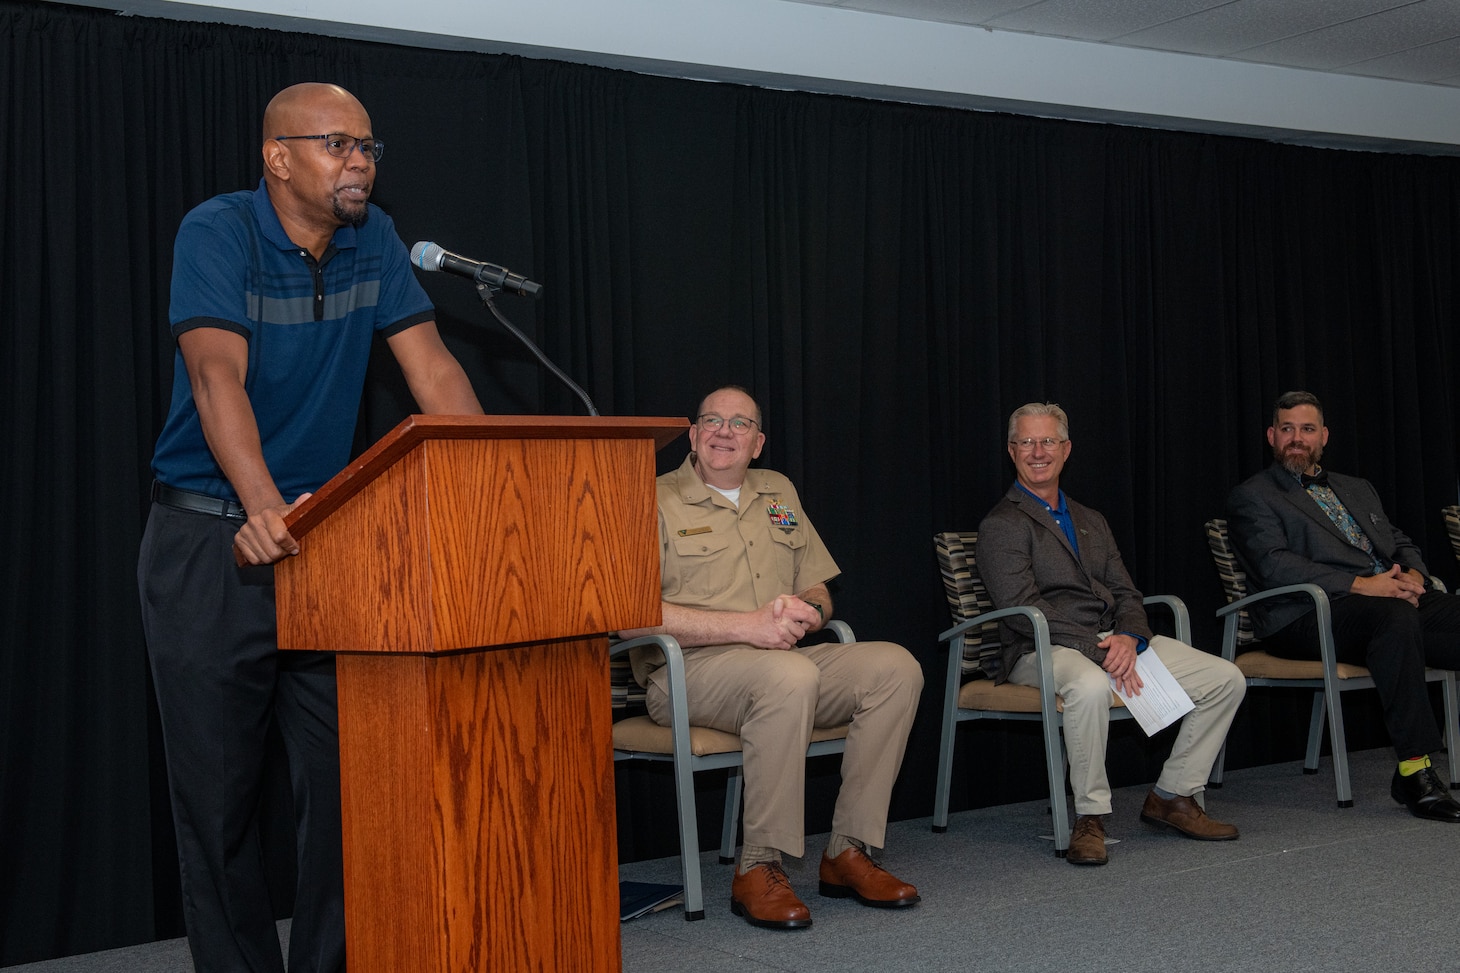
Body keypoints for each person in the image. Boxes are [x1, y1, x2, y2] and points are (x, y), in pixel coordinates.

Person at [136, 83, 484, 972]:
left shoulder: (375, 240)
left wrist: (492, 491)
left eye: (368, 146)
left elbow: (435, 373)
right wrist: (259, 503)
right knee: (220, 804)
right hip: (215, 544)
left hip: (327, 544)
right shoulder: (219, 231)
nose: (359, 162)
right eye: (337, 144)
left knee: (345, 789)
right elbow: (218, 378)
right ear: (277, 156)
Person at [621, 385, 923, 929]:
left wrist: (807, 611)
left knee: (895, 667)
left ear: (757, 443)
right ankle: (759, 865)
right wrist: (748, 627)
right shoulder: (651, 497)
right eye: (711, 421)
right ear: (691, 436)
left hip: (784, 663)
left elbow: (821, 588)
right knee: (787, 675)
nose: (724, 432)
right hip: (687, 673)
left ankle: (848, 852)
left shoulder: (777, 490)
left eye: (739, 425)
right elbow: (631, 614)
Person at [976, 402, 1245, 865]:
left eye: (1048, 441)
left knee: (1225, 679)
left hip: (1111, 642)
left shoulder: (1091, 519)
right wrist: (1101, 648)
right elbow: (1023, 610)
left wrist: (1132, 639)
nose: (1037, 451)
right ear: (1010, 450)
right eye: (1026, 442)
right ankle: (1090, 816)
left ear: (1066, 449)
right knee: (1090, 684)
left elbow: (1127, 593)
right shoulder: (1002, 524)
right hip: (1039, 647)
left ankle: (1173, 795)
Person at [1226, 390, 1460, 822]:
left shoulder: (1357, 488)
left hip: (1385, 601)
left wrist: (1414, 576)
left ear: (1324, 436)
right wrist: (1361, 585)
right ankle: (1415, 769)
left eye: (1307, 429)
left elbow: (1399, 541)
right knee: (1395, 619)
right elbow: (1273, 565)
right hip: (1306, 614)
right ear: (1271, 436)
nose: (1297, 438)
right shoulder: (1253, 496)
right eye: (1287, 429)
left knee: (1420, 618)